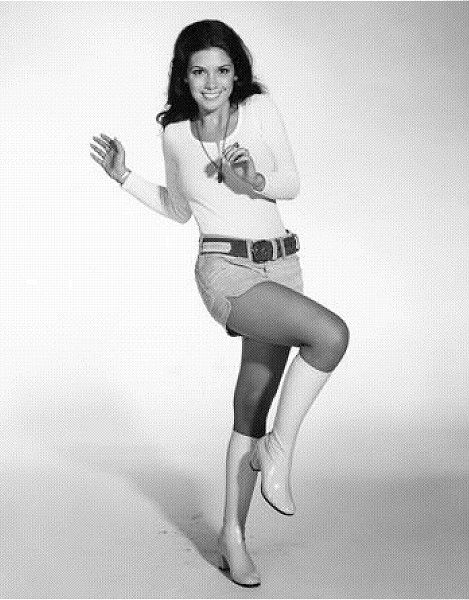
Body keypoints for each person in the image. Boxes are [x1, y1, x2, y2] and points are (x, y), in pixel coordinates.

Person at [90, 19, 349, 588]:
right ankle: (278, 451)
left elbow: (291, 183)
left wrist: (252, 180)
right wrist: (124, 176)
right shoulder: (176, 135)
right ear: (184, 77)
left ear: (237, 74)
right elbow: (179, 209)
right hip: (225, 270)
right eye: (199, 71)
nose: (212, 83)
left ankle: (233, 533)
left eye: (223, 70)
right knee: (330, 335)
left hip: (281, 265)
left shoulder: (260, 110)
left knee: (250, 406)